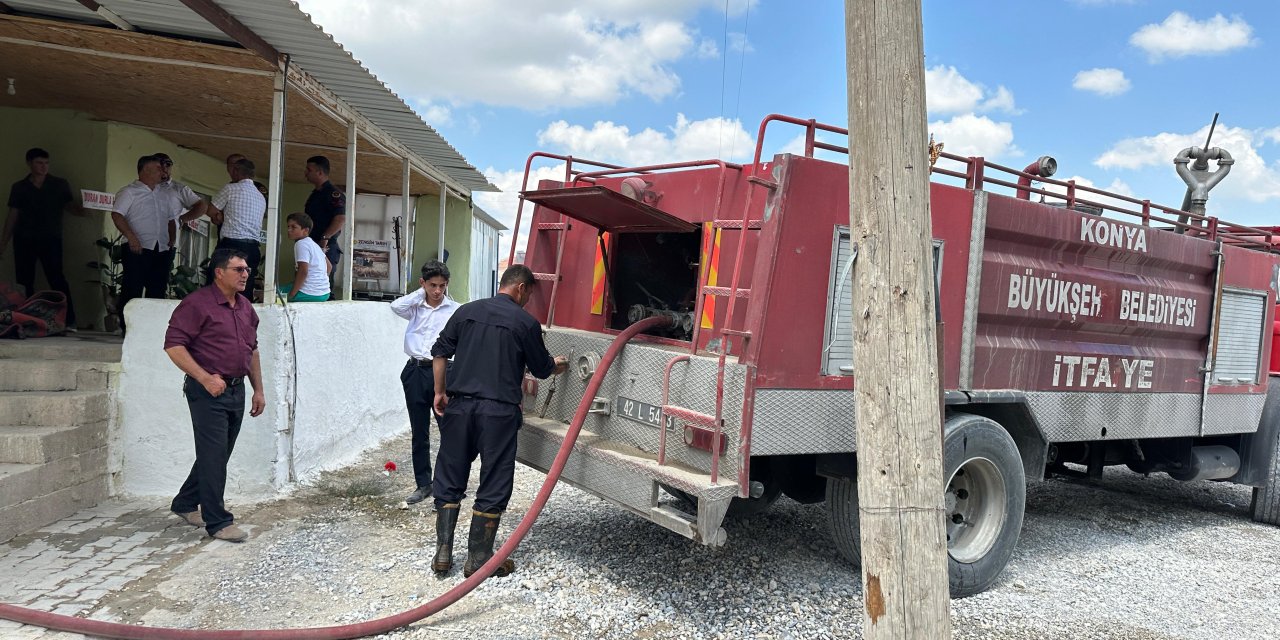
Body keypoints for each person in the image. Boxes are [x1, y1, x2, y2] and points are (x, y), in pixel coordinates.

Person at [429, 264, 568, 577]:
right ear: (520, 288)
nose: (528, 300)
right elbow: (542, 368)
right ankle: (478, 557)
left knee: (450, 474)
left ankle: (443, 552)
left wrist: (440, 392)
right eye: (529, 294)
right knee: (494, 478)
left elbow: (439, 352)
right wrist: (558, 364)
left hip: (460, 406)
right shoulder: (525, 322)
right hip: (498, 413)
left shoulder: (466, 312)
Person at [163, 248, 264, 543]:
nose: (246, 274)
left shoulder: (245, 307)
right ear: (219, 272)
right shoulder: (197, 304)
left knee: (219, 454)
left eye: (246, 269)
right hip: (208, 391)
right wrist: (205, 378)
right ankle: (218, 522)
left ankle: (184, 502)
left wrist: (258, 389)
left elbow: (252, 350)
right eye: (239, 269)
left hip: (237, 389)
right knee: (214, 455)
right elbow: (173, 346)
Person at [390, 260, 458, 508]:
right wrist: (421, 294)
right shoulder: (415, 307)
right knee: (419, 431)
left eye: (442, 286)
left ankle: (447, 484)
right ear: (423, 284)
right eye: (432, 285)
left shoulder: (454, 310)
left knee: (449, 430)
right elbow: (395, 306)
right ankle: (423, 483)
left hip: (444, 372)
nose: (438, 291)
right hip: (415, 371)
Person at [1, 148, 81, 330]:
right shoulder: (19, 187)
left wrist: (84, 208)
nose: (43, 167)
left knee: (57, 279)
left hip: (51, 238)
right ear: (29, 164)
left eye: (46, 163)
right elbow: (12, 215)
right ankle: (26, 320)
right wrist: (3, 242)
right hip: (24, 239)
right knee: (24, 281)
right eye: (39, 163)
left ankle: (68, 320)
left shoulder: (59, 184)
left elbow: (70, 205)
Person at [111, 155, 177, 332]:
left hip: (161, 248)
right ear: (146, 170)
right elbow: (117, 215)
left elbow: (171, 219)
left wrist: (172, 239)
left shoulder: (163, 194)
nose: (162, 172)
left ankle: (150, 331)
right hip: (137, 246)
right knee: (133, 288)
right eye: (158, 168)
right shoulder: (129, 192)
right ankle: (128, 329)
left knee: (157, 290)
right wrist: (131, 237)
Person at [208, 158, 266, 298]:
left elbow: (211, 210)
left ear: (235, 170)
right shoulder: (260, 196)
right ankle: (241, 318)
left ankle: (215, 318)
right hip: (253, 248)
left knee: (217, 285)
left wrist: (220, 216)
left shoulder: (231, 189)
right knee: (244, 288)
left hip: (232, 245)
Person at [303, 155, 346, 280]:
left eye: (309, 170)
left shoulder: (333, 193)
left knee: (323, 284)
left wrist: (325, 237)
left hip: (325, 246)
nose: (305, 173)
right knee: (310, 282)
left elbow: (340, 218)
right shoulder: (316, 194)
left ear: (320, 172)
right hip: (313, 244)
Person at [278, 213, 330, 302]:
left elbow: (303, 271)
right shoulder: (314, 244)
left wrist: (292, 294)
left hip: (309, 293)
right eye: (288, 226)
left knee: (271, 295)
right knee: (287, 287)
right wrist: (320, 285)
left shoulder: (301, 244)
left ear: (305, 230)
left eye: (293, 227)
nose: (289, 230)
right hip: (325, 293)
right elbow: (329, 266)